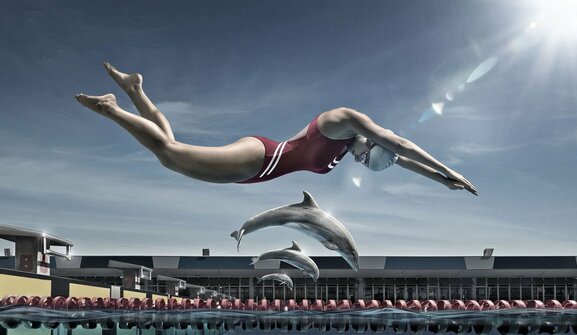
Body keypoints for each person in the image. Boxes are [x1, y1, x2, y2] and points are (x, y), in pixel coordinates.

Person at [76, 63, 477, 194]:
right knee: (169, 156)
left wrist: (442, 182)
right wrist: (451, 168)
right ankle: (112, 109)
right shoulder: (344, 122)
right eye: (364, 156)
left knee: (172, 150)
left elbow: (400, 160)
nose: (356, 159)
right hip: (261, 159)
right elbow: (401, 144)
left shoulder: (351, 145)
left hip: (260, 163)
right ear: (370, 142)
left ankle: (135, 91)